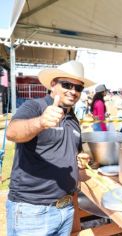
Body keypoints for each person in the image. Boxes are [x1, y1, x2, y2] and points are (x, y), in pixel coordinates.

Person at [6, 60, 94, 235]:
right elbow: (12, 132)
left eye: (78, 88)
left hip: (66, 210)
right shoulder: (35, 106)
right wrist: (40, 122)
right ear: (53, 85)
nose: (73, 91)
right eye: (67, 84)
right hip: (33, 211)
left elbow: (71, 152)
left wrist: (80, 159)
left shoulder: (73, 119)